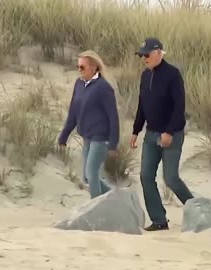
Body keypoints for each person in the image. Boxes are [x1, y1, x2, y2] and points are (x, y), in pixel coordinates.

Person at [130, 38, 194, 231]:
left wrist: (168, 131)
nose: (144, 58)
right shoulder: (144, 76)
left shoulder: (172, 74)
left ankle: (198, 209)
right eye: (142, 55)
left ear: (159, 53)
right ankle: (159, 220)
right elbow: (142, 106)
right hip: (151, 135)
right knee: (146, 176)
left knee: (171, 178)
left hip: (171, 135)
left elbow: (179, 106)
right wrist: (135, 130)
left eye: (147, 55)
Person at [58, 50, 120, 199]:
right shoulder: (79, 84)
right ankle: (115, 198)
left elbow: (113, 116)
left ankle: (96, 210)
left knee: (92, 172)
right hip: (87, 136)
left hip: (100, 137)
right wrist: (64, 136)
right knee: (87, 176)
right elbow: (73, 112)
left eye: (82, 67)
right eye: (78, 67)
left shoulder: (103, 88)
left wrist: (113, 144)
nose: (79, 70)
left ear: (93, 67)